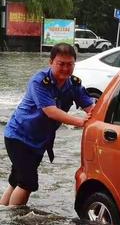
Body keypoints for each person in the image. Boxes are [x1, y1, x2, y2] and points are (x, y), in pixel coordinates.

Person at [0, 43, 94, 206]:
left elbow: (91, 108)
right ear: (51, 62)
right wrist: (81, 122)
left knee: (16, 180)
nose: (65, 68)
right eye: (61, 64)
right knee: (27, 183)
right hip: (18, 137)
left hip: (39, 142)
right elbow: (50, 111)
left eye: (69, 64)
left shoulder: (74, 84)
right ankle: (16, 222)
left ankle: (4, 216)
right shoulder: (39, 81)